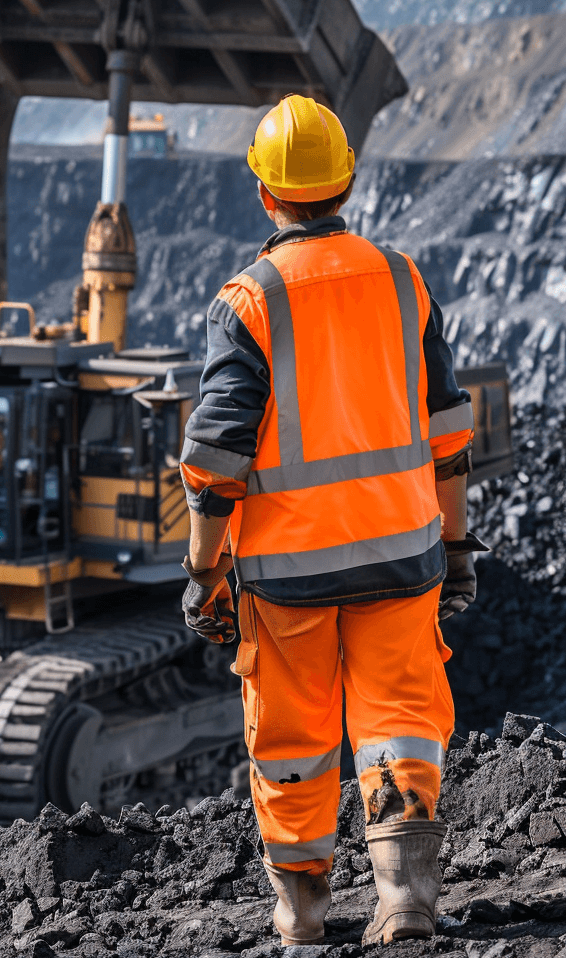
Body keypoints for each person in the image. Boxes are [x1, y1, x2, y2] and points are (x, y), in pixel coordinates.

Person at [179, 95, 479, 947]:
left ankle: (303, 916)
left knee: (292, 742)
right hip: (402, 556)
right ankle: (405, 899)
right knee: (399, 722)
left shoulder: (248, 300)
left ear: (264, 191)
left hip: (287, 577)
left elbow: (216, 462)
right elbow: (450, 434)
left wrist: (205, 577)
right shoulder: (400, 278)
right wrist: (455, 546)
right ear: (345, 181)